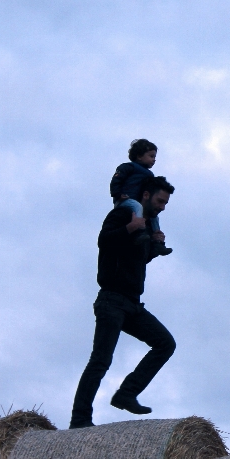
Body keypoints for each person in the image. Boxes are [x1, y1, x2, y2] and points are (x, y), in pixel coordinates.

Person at [69, 175, 177, 429]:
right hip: (111, 299)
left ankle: (126, 393)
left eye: (166, 204)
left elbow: (138, 259)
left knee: (165, 344)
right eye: (161, 201)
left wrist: (155, 245)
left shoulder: (150, 225)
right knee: (101, 360)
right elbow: (104, 241)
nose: (163, 207)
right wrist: (131, 227)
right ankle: (80, 419)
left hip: (133, 303)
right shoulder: (121, 214)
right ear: (147, 195)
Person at [111, 138, 172, 255]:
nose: (154, 160)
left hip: (136, 202)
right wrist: (117, 195)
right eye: (151, 156)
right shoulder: (128, 167)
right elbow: (116, 180)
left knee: (154, 218)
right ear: (139, 156)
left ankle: (157, 242)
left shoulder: (150, 175)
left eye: (155, 157)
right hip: (125, 200)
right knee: (138, 207)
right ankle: (139, 231)